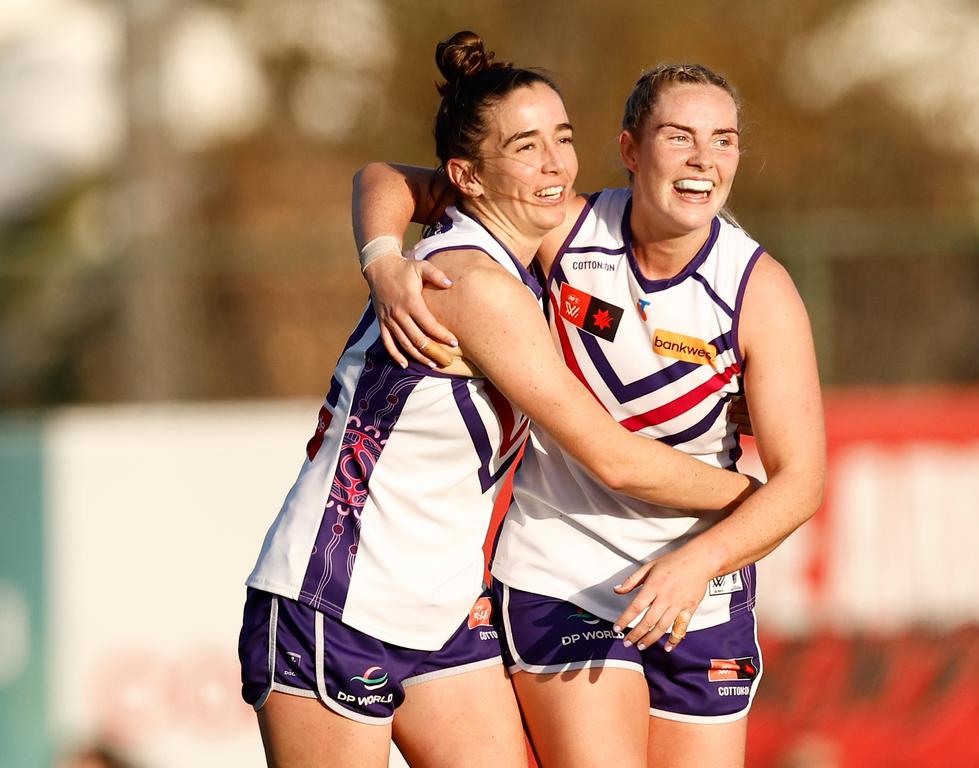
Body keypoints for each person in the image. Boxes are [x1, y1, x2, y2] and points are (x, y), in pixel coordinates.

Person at [240, 33, 763, 768]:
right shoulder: (478, 287)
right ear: (467, 177)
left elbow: (379, 176)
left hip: (445, 612)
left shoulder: (520, 251)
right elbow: (613, 458)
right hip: (337, 599)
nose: (555, 165)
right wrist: (759, 500)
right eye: (525, 147)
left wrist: (382, 260)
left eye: (562, 138)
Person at [352, 61, 826, 768]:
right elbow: (385, 178)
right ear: (631, 149)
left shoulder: (760, 290)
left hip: (700, 586)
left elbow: (802, 481)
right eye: (679, 137)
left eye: (724, 140)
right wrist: (383, 259)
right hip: (561, 572)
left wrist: (703, 557)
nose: (704, 160)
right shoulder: (562, 228)